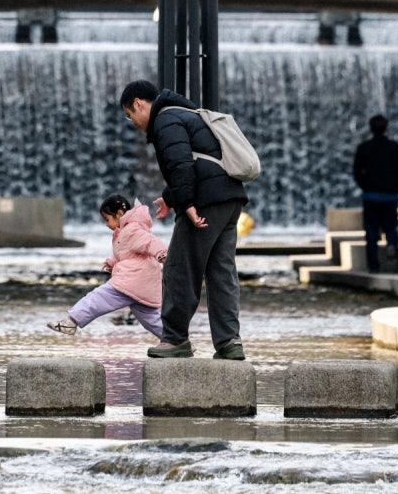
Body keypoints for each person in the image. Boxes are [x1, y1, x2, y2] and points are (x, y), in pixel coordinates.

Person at [120, 79, 249, 360]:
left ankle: (175, 339)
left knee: (179, 269)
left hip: (205, 202)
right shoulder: (184, 112)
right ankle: (229, 342)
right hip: (229, 199)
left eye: (131, 116)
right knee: (221, 273)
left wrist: (187, 203)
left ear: (139, 104)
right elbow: (200, 159)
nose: (134, 123)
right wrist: (170, 197)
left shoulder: (165, 120)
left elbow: (181, 163)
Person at [47, 194, 167, 338]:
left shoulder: (132, 229)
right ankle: (177, 340)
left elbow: (149, 242)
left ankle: (71, 322)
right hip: (143, 283)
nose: (106, 224)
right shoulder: (126, 230)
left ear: (120, 214)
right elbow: (129, 254)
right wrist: (113, 262)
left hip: (131, 280)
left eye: (107, 219)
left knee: (98, 298)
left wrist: (162, 253)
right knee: (151, 320)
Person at [353, 115, 398, 274]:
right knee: (391, 226)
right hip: (390, 195)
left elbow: (356, 171)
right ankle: (391, 245)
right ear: (386, 128)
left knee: (371, 231)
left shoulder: (364, 147)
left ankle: (373, 266)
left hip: (371, 195)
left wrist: (365, 186)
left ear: (370, 129)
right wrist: (396, 188)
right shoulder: (394, 147)